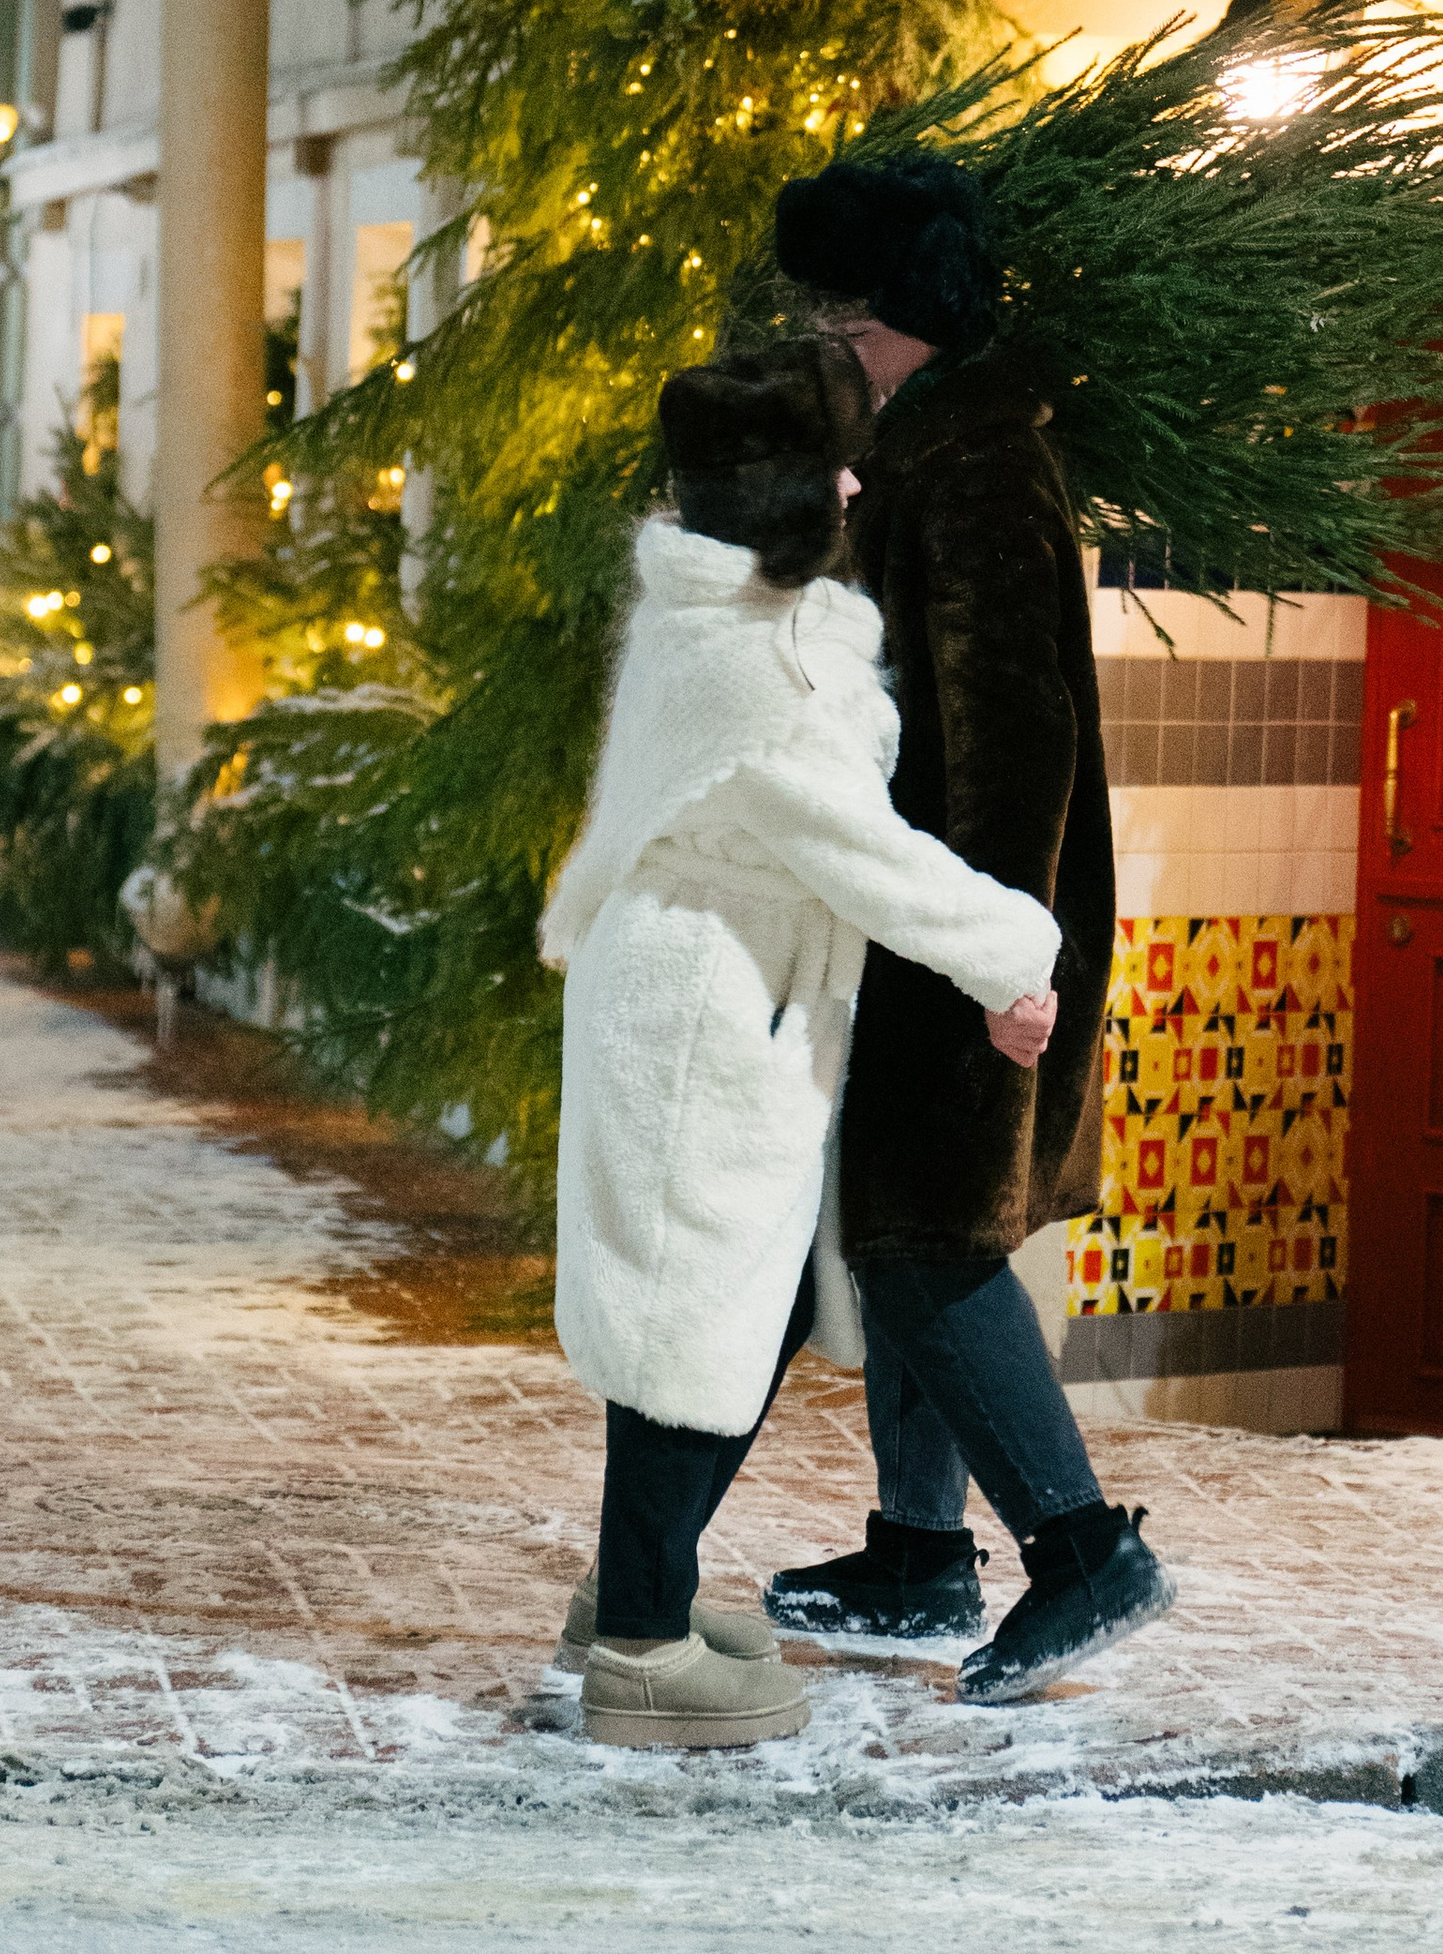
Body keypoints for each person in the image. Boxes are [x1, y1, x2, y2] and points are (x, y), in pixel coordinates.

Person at [539, 340, 1062, 1750]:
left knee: (723, 1309)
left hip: (715, 996)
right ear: (785, 491)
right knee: (695, 1318)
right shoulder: (764, 670)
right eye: (833, 460)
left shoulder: (723, 615)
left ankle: (633, 1589)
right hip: (705, 1012)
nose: (852, 479)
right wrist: (1017, 958)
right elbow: (866, 853)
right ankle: (643, 1645)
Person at [763, 154, 1174, 1702]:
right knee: (904, 1216)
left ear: (900, 319)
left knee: (929, 1234)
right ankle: (921, 1551)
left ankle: (1081, 1550)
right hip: (928, 910)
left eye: (841, 314)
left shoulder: (978, 461)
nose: (825, 341)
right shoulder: (934, 443)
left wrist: (1001, 952)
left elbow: (1018, 730)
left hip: (974, 921)